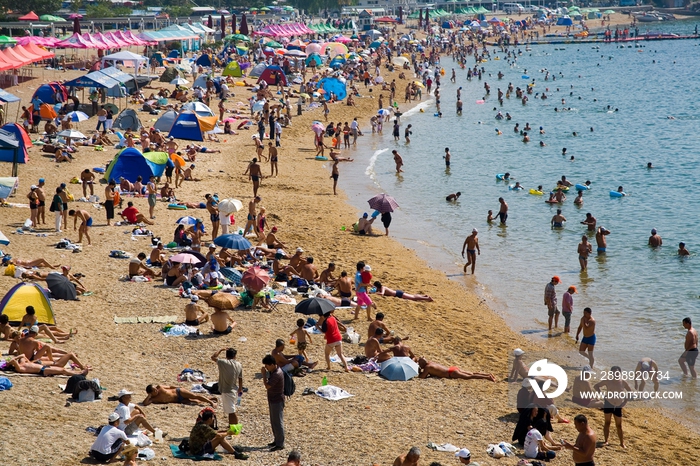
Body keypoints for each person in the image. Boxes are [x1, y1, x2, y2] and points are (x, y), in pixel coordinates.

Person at [593, 366, 631, 448]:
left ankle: (622, 443)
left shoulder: (623, 382)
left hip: (618, 406)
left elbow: (629, 391)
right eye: (613, 373)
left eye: (617, 373)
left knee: (619, 425)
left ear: (620, 373)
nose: (615, 374)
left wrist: (625, 401)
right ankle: (606, 441)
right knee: (607, 423)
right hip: (608, 404)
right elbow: (596, 386)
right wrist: (601, 394)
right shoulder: (608, 381)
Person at [261, 354, 285, 451]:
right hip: (273, 399)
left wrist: (263, 375)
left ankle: (280, 444)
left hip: (277, 401)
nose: (266, 368)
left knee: (278, 422)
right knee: (274, 421)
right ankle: (277, 440)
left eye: (267, 366)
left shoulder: (276, 374)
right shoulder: (274, 371)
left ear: (271, 364)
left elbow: (267, 386)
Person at [417, 357, 496, 382]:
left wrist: (419, 371)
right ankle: (487, 374)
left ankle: (487, 377)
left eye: (420, 364)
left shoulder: (427, 367)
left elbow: (422, 377)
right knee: (472, 373)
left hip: (451, 373)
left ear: (423, 364)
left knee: (469, 377)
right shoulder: (430, 363)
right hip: (452, 368)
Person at [7, 354, 89, 377]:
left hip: (45, 368)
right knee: (63, 371)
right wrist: (11, 362)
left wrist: (14, 358)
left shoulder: (22, 363)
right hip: (43, 370)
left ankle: (81, 371)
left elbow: (22, 355)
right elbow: (15, 362)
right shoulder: (19, 368)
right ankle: (81, 373)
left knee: (62, 370)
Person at [143, 384, 216, 407]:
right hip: (177, 400)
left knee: (194, 396)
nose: (156, 390)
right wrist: (149, 396)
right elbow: (145, 403)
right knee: (194, 402)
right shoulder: (153, 398)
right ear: (151, 393)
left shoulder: (160, 387)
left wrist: (180, 388)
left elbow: (170, 387)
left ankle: (211, 402)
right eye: (154, 390)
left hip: (178, 392)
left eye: (155, 388)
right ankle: (209, 398)